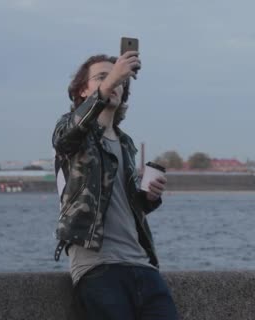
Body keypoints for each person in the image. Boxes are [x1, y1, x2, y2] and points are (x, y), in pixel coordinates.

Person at [52, 51, 179, 320]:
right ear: (83, 90)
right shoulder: (72, 131)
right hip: (97, 267)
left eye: (119, 79)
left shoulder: (125, 143)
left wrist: (148, 197)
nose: (114, 82)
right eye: (102, 77)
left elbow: (125, 206)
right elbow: (64, 139)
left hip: (142, 265)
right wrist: (111, 81)